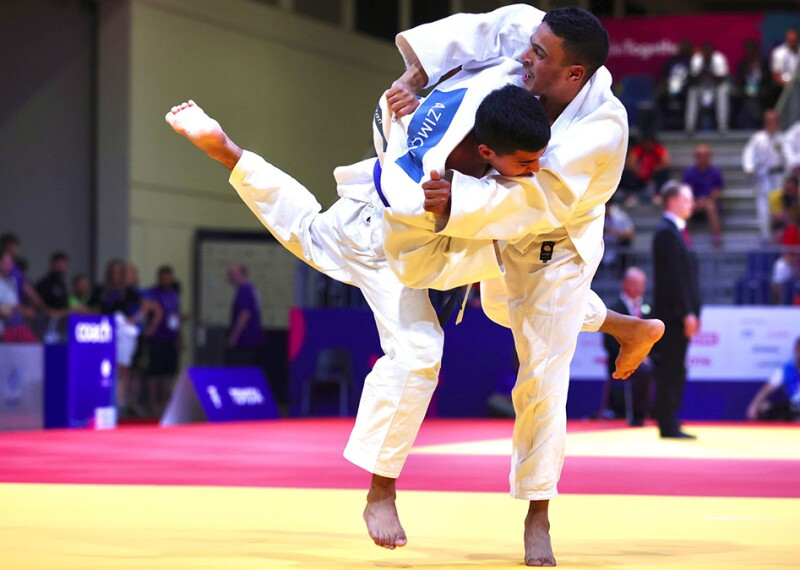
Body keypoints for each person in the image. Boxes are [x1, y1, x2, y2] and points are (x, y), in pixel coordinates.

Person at [167, 78, 663, 561]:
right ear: (488, 153)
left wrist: (409, 80)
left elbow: (429, 84)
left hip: (427, 232)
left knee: (513, 297)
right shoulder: (417, 187)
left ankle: (622, 324)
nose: (535, 172)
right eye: (526, 164)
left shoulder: (489, 100)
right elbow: (413, 247)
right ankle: (380, 491)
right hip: (385, 244)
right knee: (418, 348)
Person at [387, 5, 663, 565]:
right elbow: (493, 25)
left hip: (556, 243)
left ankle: (538, 511)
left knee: (540, 372)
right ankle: (621, 324)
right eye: (533, 45)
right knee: (497, 307)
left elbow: (533, 199)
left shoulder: (601, 129)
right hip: (496, 216)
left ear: (574, 75)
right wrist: (417, 76)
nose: (525, 57)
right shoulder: (537, 38)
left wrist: (457, 201)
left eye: (540, 56)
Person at [651, 183, 701, 440]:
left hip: (679, 314)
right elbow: (674, 279)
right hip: (672, 316)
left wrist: (694, 311)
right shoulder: (666, 233)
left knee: (677, 368)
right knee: (670, 368)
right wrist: (686, 313)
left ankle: (671, 419)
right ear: (672, 201)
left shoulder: (677, 232)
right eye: (687, 199)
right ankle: (667, 423)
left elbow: (688, 277)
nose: (691, 204)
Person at [88, 259, 145, 417]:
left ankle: (119, 403)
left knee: (122, 368)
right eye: (113, 271)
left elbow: (146, 305)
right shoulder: (101, 290)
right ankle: (101, 401)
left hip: (121, 333)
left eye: (119, 271)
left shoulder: (128, 291)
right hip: (101, 331)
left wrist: (134, 319)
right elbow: (91, 307)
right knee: (103, 368)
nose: (116, 274)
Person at [601, 267, 655, 427]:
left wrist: (647, 354)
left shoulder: (648, 307)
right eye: (635, 284)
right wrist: (634, 353)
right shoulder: (613, 309)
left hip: (647, 359)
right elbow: (609, 342)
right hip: (620, 359)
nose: (639, 288)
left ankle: (661, 413)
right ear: (624, 284)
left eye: (642, 284)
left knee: (667, 366)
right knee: (644, 371)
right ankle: (638, 416)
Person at [146, 265, 183, 415]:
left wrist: (180, 336)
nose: (166, 280)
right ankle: (152, 403)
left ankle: (165, 402)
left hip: (170, 337)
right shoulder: (153, 293)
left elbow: (176, 315)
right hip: (157, 338)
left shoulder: (175, 294)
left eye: (169, 277)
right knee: (154, 372)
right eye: (164, 277)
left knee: (168, 372)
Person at [743, 109, 785, 241]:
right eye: (769, 121)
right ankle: (766, 239)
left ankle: (781, 240)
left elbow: (789, 158)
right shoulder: (757, 138)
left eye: (774, 121)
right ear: (765, 122)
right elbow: (748, 153)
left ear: (778, 122)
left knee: (780, 212)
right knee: (763, 212)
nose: (772, 123)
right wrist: (749, 168)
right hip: (764, 177)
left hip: (780, 178)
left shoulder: (783, 138)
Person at [747, 336, 800, 420]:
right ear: (795, 351)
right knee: (763, 408)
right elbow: (767, 388)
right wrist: (754, 404)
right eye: (798, 350)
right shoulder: (787, 369)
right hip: (792, 407)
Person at [682, 144, 724, 247]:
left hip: (709, 203)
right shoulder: (689, 173)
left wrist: (704, 201)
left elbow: (716, 193)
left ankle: (716, 236)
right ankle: (683, 236)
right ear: (696, 157)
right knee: (682, 208)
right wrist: (694, 202)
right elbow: (686, 193)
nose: (703, 158)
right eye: (700, 155)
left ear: (709, 157)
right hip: (693, 204)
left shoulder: (715, 172)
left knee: (710, 206)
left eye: (705, 155)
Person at [685, 41, 730, 134]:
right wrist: (703, 68)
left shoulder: (719, 58)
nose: (707, 53)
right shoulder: (696, 59)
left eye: (709, 51)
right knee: (692, 91)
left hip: (715, 88)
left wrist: (709, 71)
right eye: (705, 51)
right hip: (701, 88)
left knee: (723, 91)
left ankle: (722, 127)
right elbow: (695, 80)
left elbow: (721, 80)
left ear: (713, 52)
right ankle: (690, 127)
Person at [225, 263, 265, 366]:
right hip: (251, 337)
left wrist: (234, 336)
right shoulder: (251, 288)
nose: (230, 276)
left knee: (241, 365)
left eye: (233, 273)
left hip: (245, 338)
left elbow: (244, 314)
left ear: (241, 274)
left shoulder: (244, 289)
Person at [733, 38, 770, 130]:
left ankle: (758, 124)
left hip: (761, 89)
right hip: (746, 90)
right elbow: (737, 81)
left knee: (757, 100)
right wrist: (747, 70)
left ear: (756, 49)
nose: (750, 51)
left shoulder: (763, 62)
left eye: (752, 49)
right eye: (748, 49)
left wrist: (761, 69)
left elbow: (769, 78)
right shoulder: (743, 63)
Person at [657, 39, 693, 131]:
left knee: (691, 96)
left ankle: (687, 127)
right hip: (670, 88)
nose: (683, 49)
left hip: (686, 91)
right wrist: (663, 87)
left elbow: (695, 79)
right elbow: (664, 77)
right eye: (682, 47)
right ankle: (661, 127)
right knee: (660, 99)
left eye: (686, 47)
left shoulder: (693, 61)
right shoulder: (672, 61)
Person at [601, 200, 634, 276]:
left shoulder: (620, 217)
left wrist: (614, 232)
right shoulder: (596, 218)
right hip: (602, 246)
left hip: (617, 245)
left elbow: (630, 233)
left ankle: (621, 275)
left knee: (626, 244)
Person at [770, 28, 799, 106]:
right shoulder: (779, 53)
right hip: (783, 88)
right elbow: (776, 75)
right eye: (790, 41)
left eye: (794, 41)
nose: (792, 43)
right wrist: (787, 85)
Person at [769, 175, 800, 241]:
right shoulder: (775, 196)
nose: (788, 192)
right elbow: (776, 218)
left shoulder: (798, 197)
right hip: (782, 228)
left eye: (791, 189)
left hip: (796, 227)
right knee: (784, 231)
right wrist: (788, 205)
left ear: (797, 189)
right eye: (787, 189)